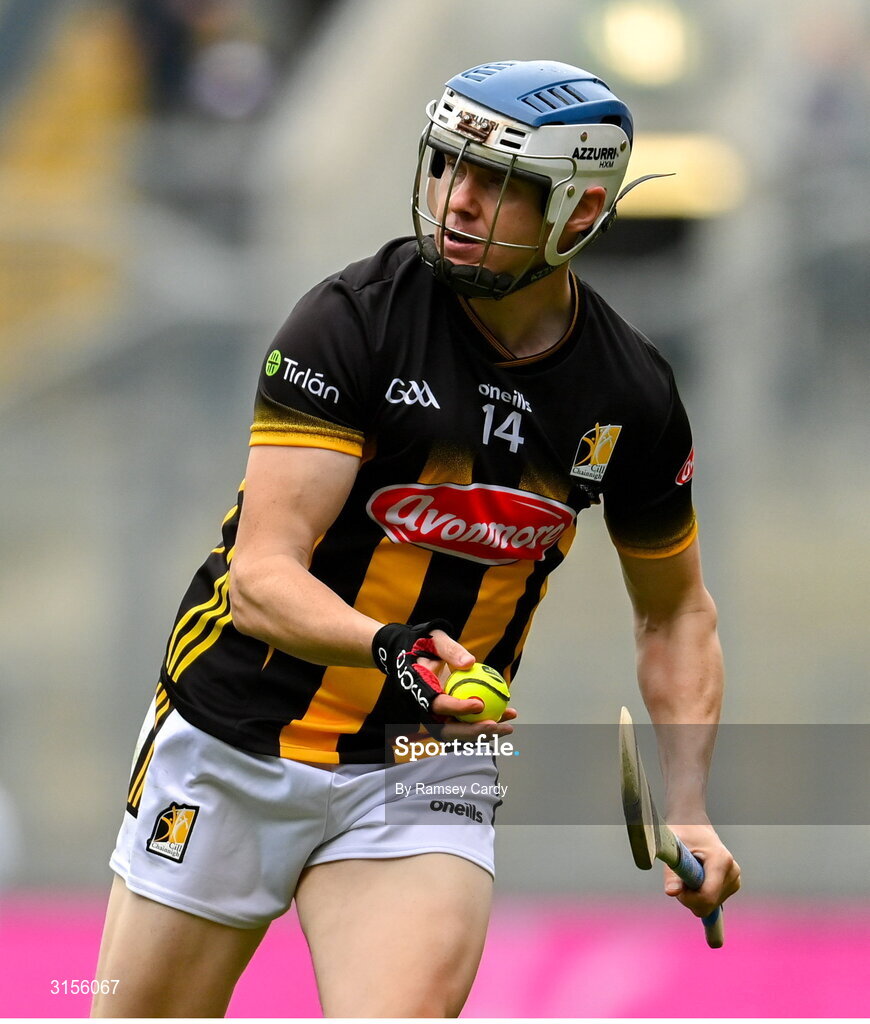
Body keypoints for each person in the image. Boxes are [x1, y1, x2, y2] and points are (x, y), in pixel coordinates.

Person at [91, 58, 741, 1017]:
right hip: (239, 730)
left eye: (499, 181)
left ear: (580, 210)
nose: (459, 199)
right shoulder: (350, 322)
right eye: (449, 166)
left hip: (425, 760)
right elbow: (261, 576)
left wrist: (689, 808)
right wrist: (393, 649)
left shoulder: (630, 395)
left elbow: (677, 614)